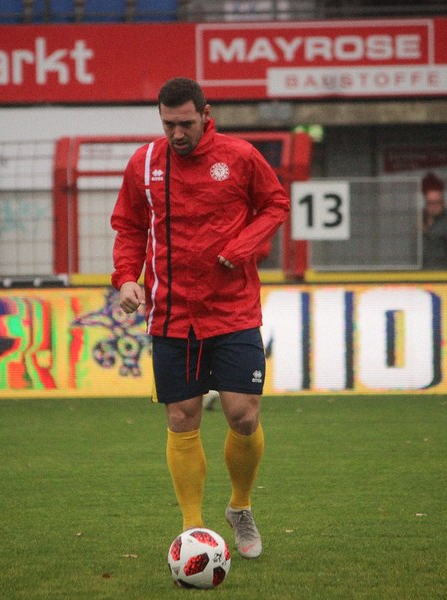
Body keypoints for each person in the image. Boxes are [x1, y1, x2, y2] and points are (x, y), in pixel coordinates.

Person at [111, 77, 289, 559]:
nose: (177, 133)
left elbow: (275, 204)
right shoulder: (144, 164)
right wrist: (126, 278)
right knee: (181, 416)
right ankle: (193, 530)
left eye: (185, 123)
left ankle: (240, 507)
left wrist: (243, 246)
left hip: (233, 309)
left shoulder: (240, 156)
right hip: (171, 314)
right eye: (168, 124)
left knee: (243, 415)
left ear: (206, 115)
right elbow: (129, 226)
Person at [420, 171, 447, 269]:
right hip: (420, 272)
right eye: (430, 203)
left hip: (442, 272)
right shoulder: (418, 221)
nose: (434, 206)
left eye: (437, 202)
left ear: (443, 203)